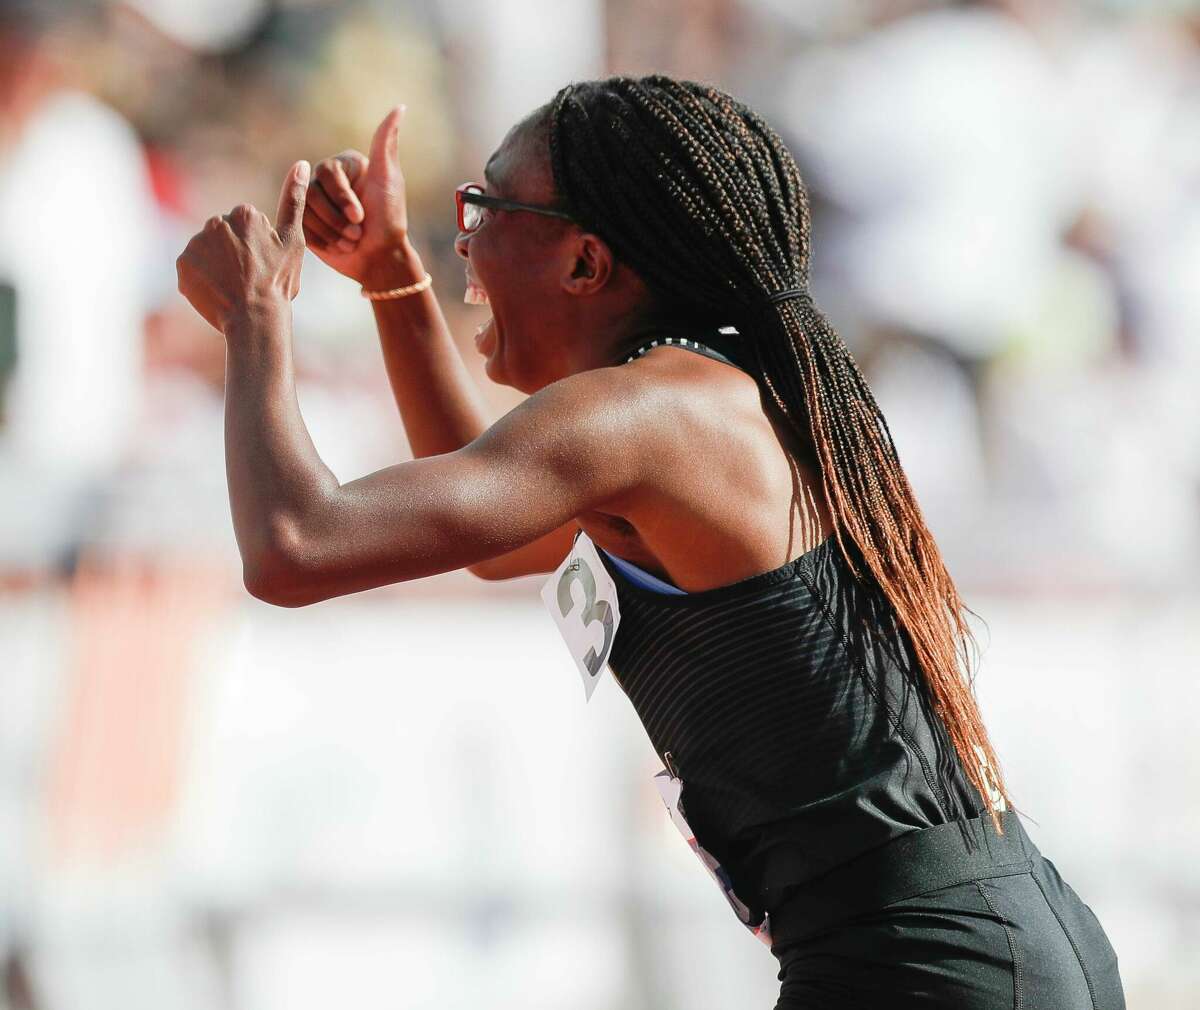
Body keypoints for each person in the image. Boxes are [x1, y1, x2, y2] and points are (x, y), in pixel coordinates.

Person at [175, 75, 1125, 1009]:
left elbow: (295, 546)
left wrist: (255, 317)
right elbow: (493, 538)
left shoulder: (647, 414)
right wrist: (391, 275)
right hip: (966, 946)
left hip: (922, 962)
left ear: (585, 263)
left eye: (485, 207)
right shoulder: (700, 399)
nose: (461, 238)